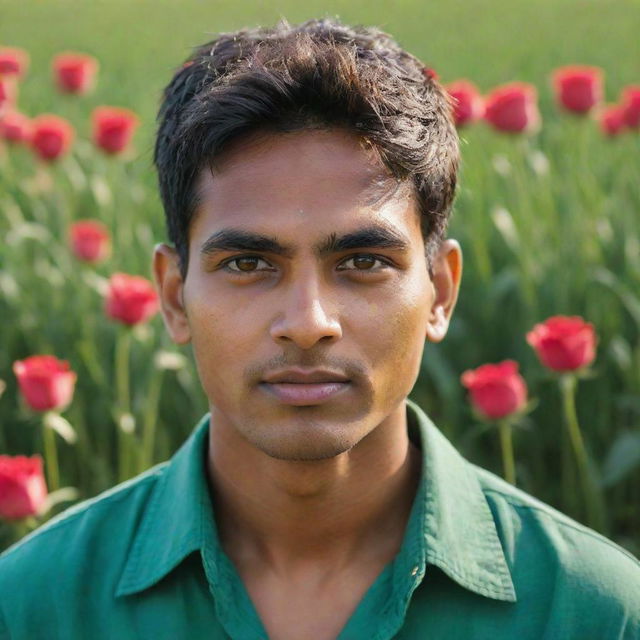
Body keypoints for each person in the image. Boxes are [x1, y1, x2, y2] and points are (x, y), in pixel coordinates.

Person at [1, 18, 639, 640]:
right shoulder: (30, 608)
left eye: (363, 263)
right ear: (174, 296)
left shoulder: (595, 613)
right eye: (248, 264)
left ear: (440, 291)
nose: (308, 324)